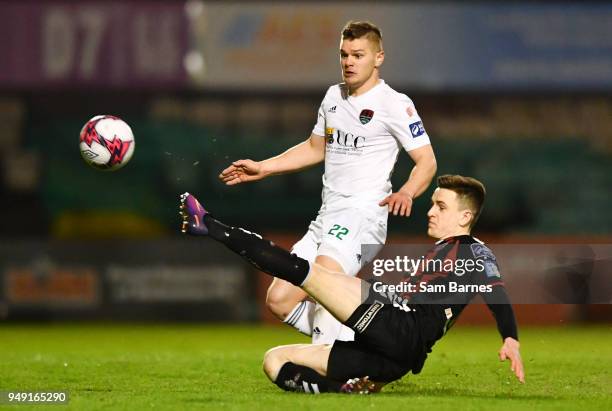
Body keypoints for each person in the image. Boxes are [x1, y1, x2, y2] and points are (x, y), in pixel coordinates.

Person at [179, 174, 525, 394]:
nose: (431, 212)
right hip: (393, 358)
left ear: (465, 216)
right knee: (274, 361)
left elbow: (496, 292)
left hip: (398, 327)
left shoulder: (473, 251)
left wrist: (510, 337)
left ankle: (211, 226)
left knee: (307, 273)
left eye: (440, 205)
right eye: (432, 204)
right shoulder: (446, 252)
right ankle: (341, 390)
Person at [218, 20, 437, 344]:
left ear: (378, 58)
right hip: (328, 216)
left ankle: (333, 369)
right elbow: (313, 148)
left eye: (358, 55)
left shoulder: (395, 104)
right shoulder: (333, 96)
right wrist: (263, 168)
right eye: (344, 54)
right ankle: (370, 341)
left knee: (324, 282)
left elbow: (427, 161)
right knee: (279, 301)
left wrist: (407, 191)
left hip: (363, 214)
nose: (349, 62)